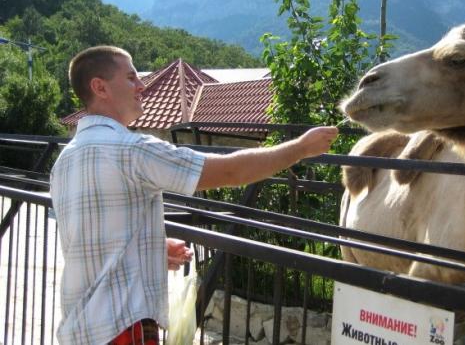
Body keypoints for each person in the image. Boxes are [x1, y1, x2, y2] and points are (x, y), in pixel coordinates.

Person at [49, 45, 338, 345]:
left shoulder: (64, 161)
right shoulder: (130, 150)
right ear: (100, 87)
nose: (141, 85)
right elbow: (230, 172)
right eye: (131, 77)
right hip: (122, 328)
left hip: (80, 328)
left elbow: (90, 237)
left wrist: (151, 249)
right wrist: (301, 148)